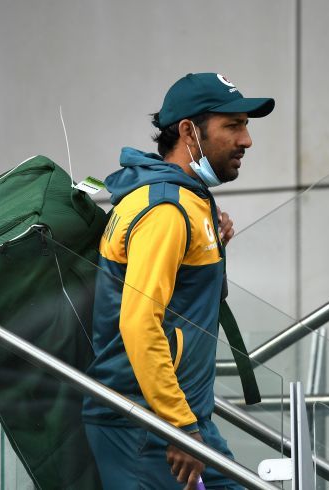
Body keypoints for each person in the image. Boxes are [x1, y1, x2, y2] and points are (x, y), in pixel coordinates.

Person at [82, 73, 274, 490]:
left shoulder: (187, 198)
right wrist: (177, 426)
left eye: (246, 125)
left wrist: (214, 242)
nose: (247, 140)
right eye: (234, 125)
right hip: (147, 427)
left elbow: (181, 290)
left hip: (184, 418)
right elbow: (139, 322)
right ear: (189, 131)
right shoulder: (165, 208)